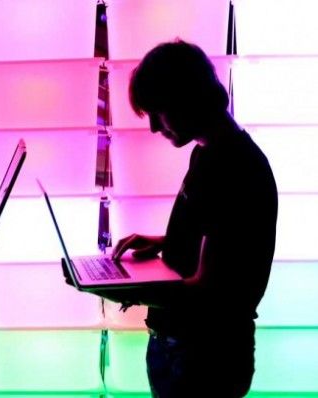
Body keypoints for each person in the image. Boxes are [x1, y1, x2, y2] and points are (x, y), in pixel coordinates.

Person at [100, 41, 278, 397]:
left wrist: (129, 289)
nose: (153, 127)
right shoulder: (211, 153)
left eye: (158, 111)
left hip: (206, 356)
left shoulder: (233, 167)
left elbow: (210, 291)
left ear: (186, 98)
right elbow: (224, 236)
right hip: (185, 347)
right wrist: (166, 240)